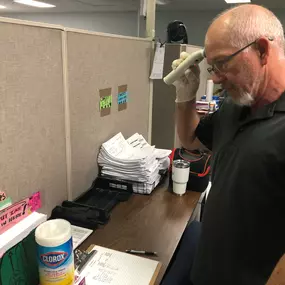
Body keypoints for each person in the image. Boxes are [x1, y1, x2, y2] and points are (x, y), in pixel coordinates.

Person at [172, 4, 285, 285]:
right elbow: (191, 140)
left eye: (222, 63)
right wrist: (184, 95)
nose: (214, 77)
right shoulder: (237, 103)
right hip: (209, 267)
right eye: (212, 66)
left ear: (261, 50)